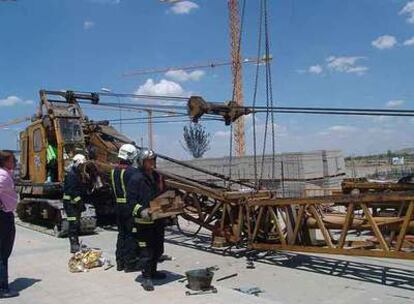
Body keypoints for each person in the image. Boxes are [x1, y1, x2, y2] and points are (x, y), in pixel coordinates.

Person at [130, 148, 165, 292]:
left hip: (157, 219)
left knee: (158, 248)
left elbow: (162, 194)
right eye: (148, 161)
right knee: (146, 251)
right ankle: (146, 277)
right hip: (143, 222)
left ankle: (154, 271)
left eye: (153, 160)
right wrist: (141, 210)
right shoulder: (136, 179)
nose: (151, 163)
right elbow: (130, 202)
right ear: (141, 162)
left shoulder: (157, 177)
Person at [110, 144, 142, 272]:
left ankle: (120, 262)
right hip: (129, 207)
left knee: (121, 234)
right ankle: (131, 263)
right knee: (131, 235)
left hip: (118, 206)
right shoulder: (132, 172)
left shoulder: (113, 171)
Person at [0, 150, 19, 298]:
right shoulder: (3, 176)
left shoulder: (5, 174)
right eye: (12, 160)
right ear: (5, 161)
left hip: (5, 214)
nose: (14, 163)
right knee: (3, 254)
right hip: (3, 217)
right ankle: (3, 288)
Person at [62, 154, 88, 253]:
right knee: (73, 224)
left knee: (76, 224)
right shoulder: (71, 175)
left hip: (74, 204)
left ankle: (76, 243)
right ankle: (73, 245)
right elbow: (72, 191)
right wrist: (80, 202)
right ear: (77, 163)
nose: (82, 167)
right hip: (70, 204)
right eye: (81, 165)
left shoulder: (76, 174)